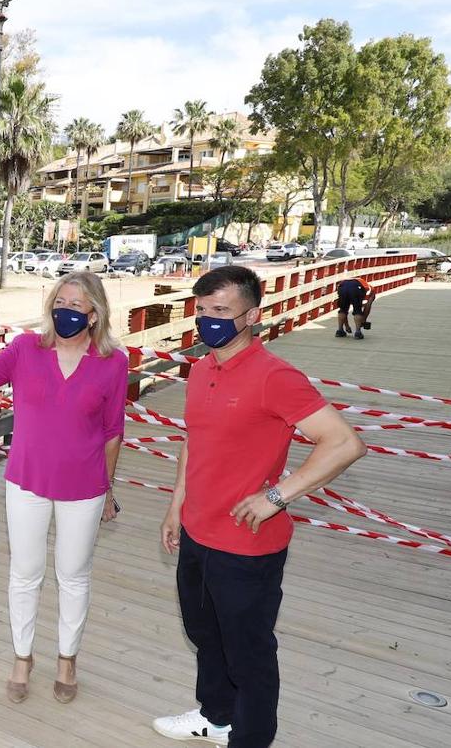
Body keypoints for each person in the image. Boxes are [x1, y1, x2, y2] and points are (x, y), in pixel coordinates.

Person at [155, 266, 366, 746]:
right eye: (202, 310)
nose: (208, 320)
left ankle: (250, 739)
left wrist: (277, 496)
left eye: (221, 311)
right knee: (205, 634)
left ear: (252, 315)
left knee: (248, 652)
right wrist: (176, 506)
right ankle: (215, 715)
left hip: (247, 545)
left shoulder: (275, 376)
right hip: (196, 531)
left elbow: (344, 443)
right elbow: (196, 441)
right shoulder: (202, 367)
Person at [0, 271, 128, 704]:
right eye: (59, 302)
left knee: (73, 576)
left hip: (84, 486)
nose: (65, 311)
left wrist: (108, 490)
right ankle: (22, 657)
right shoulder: (25, 349)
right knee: (24, 575)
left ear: (94, 313)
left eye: (75, 305)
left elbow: (113, 431)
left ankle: (67, 659)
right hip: (26, 481)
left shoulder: (113, 362)